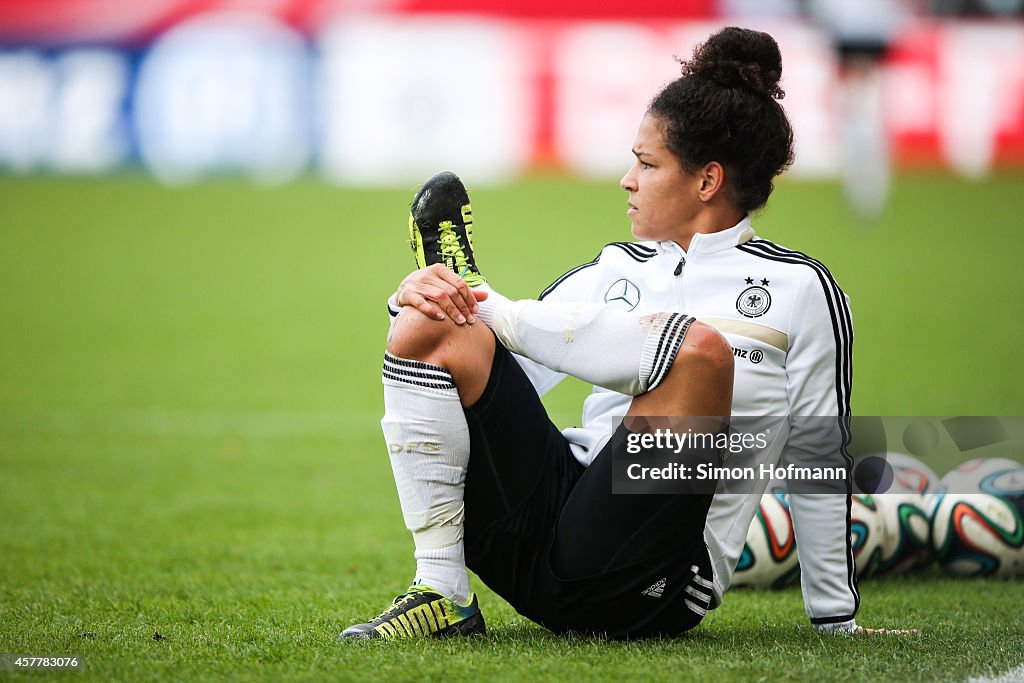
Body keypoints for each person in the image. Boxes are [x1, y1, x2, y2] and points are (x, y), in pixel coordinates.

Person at [340, 26, 892, 641]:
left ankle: (488, 301)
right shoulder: (610, 270)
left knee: (698, 351)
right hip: (539, 545)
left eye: (647, 164)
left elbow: (819, 456)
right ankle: (442, 590)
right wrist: (429, 303)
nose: (627, 179)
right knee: (432, 326)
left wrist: (834, 617)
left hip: (653, 581)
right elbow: (486, 387)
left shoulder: (800, 289)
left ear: (707, 182)